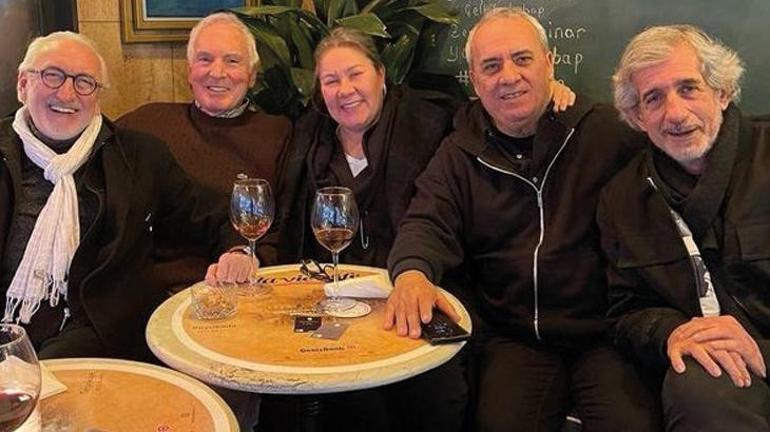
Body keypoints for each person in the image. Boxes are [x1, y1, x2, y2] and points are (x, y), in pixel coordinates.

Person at [385, 7, 660, 432]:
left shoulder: (607, 132)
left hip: (604, 335)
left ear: (549, 63)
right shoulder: (460, 151)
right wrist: (411, 274)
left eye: (522, 59)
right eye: (491, 66)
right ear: (474, 81)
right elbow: (426, 220)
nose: (508, 76)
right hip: (515, 337)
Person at [0, 31, 249, 361]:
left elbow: (214, 213)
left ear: (97, 95)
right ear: (23, 84)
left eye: (84, 82)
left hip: (93, 336)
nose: (67, 93)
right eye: (52, 75)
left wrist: (238, 250)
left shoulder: (139, 158)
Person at [598, 24, 770, 431]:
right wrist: (672, 333)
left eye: (688, 88)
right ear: (637, 116)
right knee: (692, 382)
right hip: (721, 371)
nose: (674, 113)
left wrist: (763, 351)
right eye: (653, 98)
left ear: (722, 92)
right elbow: (625, 311)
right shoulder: (622, 199)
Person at [118, 12, 291, 293]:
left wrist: (248, 255)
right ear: (189, 71)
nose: (217, 72)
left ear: (252, 75)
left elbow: (286, 225)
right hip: (154, 291)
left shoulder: (278, 134)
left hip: (242, 287)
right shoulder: (147, 123)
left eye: (232, 61)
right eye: (205, 59)